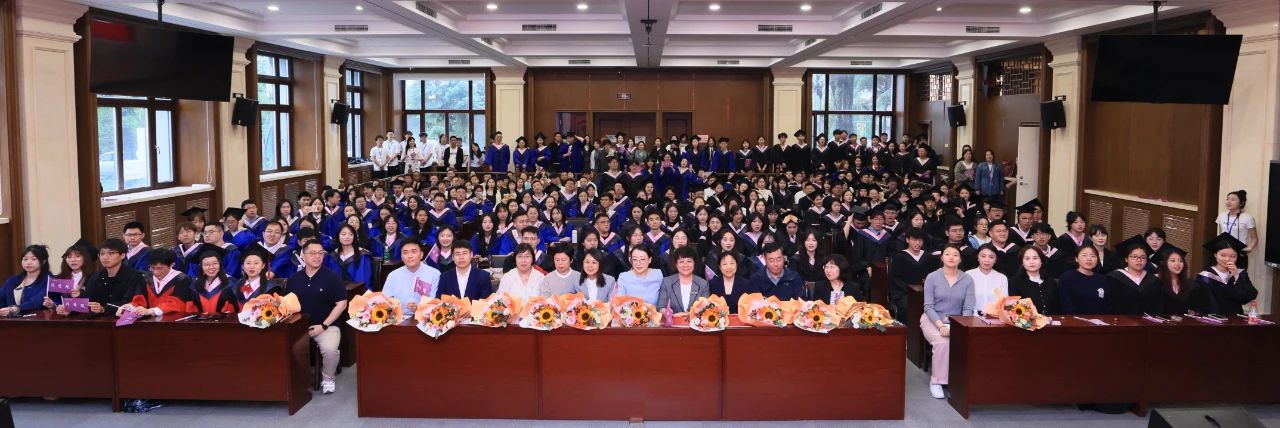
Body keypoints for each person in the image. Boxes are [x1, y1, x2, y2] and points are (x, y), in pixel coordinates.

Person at [285, 240, 348, 394]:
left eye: (320, 253)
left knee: (330, 350)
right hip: (299, 327)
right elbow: (286, 305)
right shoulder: (294, 280)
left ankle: (328, 378)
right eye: (313, 253)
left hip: (327, 325)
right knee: (282, 346)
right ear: (303, 255)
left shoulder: (332, 277)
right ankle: (297, 378)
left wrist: (324, 325)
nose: (317, 256)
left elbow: (342, 304)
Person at [920, 245, 975, 399]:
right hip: (933, 319)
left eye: (955, 255)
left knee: (966, 341)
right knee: (943, 342)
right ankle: (937, 381)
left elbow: (968, 308)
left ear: (960, 259)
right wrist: (941, 326)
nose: (951, 257)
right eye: (947, 254)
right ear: (942, 257)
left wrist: (961, 325)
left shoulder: (967, 279)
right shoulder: (932, 277)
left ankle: (960, 378)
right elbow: (928, 307)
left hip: (956, 321)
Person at [1195, 233, 1258, 316]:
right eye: (1223, 255)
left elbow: (1249, 296)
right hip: (1213, 319)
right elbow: (1202, 303)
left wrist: (1236, 276)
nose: (1227, 259)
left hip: (1235, 318)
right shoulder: (1205, 276)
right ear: (1215, 254)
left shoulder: (1240, 273)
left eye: (1232, 256)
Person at [81, 239, 147, 316]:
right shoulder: (96, 276)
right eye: (102, 253)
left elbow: (130, 303)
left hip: (123, 319)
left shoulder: (134, 276)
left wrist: (104, 308)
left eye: (111, 253)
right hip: (97, 319)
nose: (105, 257)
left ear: (122, 255)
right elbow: (87, 299)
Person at [1152, 246, 1214, 316]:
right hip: (1162, 322)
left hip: (1185, 322)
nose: (1177, 264)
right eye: (1173, 260)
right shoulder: (1156, 283)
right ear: (1163, 263)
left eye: (1180, 261)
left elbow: (1199, 307)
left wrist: (1194, 312)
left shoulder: (1191, 285)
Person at [381, 241, 441, 313]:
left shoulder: (434, 274)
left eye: (414, 252)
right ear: (401, 256)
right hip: (399, 317)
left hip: (425, 316)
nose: (410, 256)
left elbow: (435, 301)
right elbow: (385, 300)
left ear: (421, 254)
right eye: (405, 253)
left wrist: (419, 308)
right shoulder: (393, 275)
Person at [1106, 236, 1160, 315]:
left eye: (1143, 257)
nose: (1139, 260)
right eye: (1135, 257)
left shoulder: (1153, 280)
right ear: (1126, 259)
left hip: (1147, 321)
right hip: (1120, 320)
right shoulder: (1114, 278)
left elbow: (1157, 306)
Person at [888, 228, 930, 320]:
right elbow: (896, 279)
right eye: (914, 240)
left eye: (920, 240)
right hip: (904, 293)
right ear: (907, 240)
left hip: (926, 292)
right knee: (906, 306)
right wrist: (910, 288)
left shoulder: (929, 257)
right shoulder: (899, 257)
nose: (917, 243)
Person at [1057, 246, 1111, 315]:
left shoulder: (1102, 279)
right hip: (1073, 319)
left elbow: (1107, 305)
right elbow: (1065, 305)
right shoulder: (1067, 277)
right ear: (1076, 259)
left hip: (1099, 320)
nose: (1089, 259)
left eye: (1093, 256)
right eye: (1084, 255)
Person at [0, 245, 51, 316]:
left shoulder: (49, 280)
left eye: (33, 259)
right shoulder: (12, 280)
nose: (28, 262)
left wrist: (17, 309)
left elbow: (37, 301)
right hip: (12, 321)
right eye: (25, 259)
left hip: (38, 320)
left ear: (43, 261)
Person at [1007, 246, 1059, 315]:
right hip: (1026, 321)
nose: (1031, 262)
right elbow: (1013, 310)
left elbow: (1057, 308)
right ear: (1022, 262)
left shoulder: (1052, 283)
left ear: (1041, 261)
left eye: (1035, 258)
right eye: (1027, 258)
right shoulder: (1014, 283)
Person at [657, 246, 710, 313]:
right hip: (673, 319)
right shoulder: (667, 282)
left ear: (694, 263)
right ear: (676, 264)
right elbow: (661, 307)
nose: (685, 265)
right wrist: (671, 314)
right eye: (681, 262)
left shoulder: (703, 284)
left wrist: (689, 315)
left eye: (689, 261)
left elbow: (705, 308)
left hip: (695, 319)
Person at [187, 246, 238, 314]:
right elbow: (190, 308)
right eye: (206, 264)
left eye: (215, 263)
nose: (211, 267)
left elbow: (236, 308)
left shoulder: (231, 283)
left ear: (220, 265)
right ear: (201, 267)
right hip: (200, 320)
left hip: (224, 320)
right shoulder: (194, 285)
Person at [1216, 190, 1258, 270]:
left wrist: (1249, 249)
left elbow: (1254, 238)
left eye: (1233, 200)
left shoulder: (1248, 218)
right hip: (1224, 252)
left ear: (1241, 203)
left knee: (1238, 276)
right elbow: (1220, 234)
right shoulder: (1221, 216)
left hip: (1239, 253)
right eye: (1227, 199)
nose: (1229, 202)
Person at [967, 244, 1008, 315]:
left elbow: (1004, 303)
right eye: (983, 256)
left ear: (996, 259)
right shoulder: (968, 275)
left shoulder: (1002, 278)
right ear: (978, 257)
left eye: (991, 257)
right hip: (971, 317)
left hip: (994, 318)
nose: (987, 260)